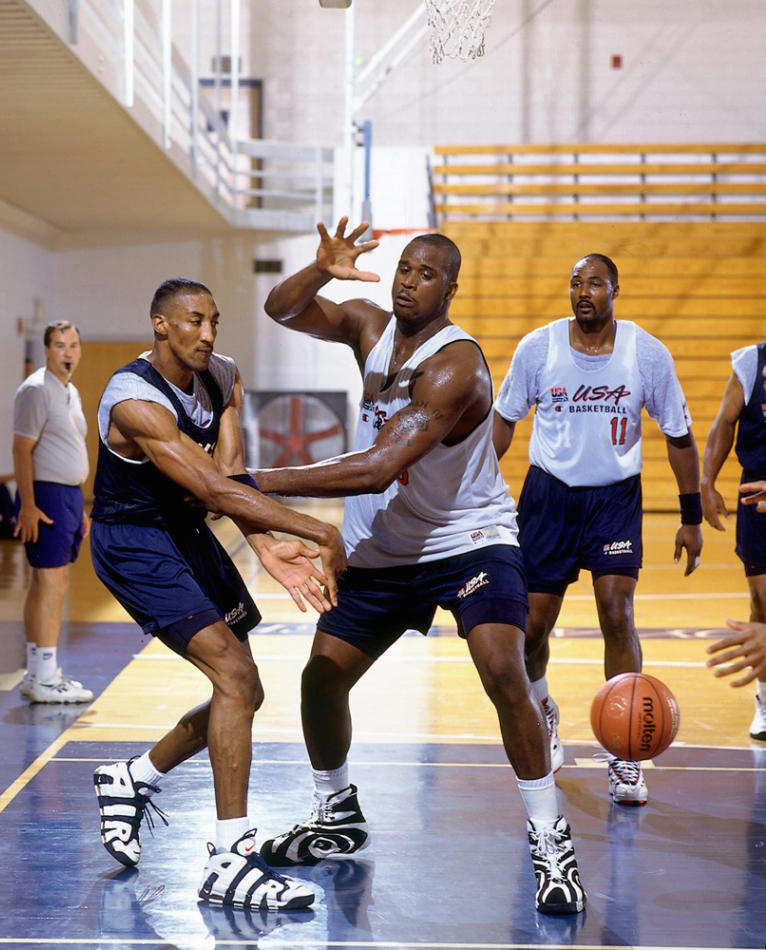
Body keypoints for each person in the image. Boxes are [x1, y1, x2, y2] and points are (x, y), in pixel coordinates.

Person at [249, 219, 586, 916]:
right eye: (405, 268)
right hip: (387, 549)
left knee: (502, 667)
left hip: (469, 540)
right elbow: (281, 309)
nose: (409, 281)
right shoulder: (370, 330)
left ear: (450, 289)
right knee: (322, 679)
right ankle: (336, 812)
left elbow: (376, 469)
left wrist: (256, 483)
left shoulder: (454, 365)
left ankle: (550, 839)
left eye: (426, 274)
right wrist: (320, 270)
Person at [89, 278, 347, 911]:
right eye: (193, 321)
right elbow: (213, 490)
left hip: (187, 536)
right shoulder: (133, 401)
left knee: (245, 689)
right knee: (235, 676)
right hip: (133, 541)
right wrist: (316, 527)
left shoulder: (222, 375)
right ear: (160, 325)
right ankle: (230, 860)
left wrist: (262, 545)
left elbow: (230, 478)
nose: (208, 334)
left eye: (214, 321)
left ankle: (133, 778)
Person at [493, 253, 703, 806]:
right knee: (532, 630)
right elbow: (504, 420)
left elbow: (679, 436)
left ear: (616, 290)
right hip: (548, 498)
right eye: (574, 283)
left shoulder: (646, 353)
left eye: (595, 283)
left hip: (613, 499)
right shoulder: (539, 347)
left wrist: (691, 517)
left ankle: (625, 755)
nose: (583, 291)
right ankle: (544, 715)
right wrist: (475, 491)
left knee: (618, 612)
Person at [13, 320, 92, 704]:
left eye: (73, 345)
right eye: (60, 345)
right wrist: (28, 505)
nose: (68, 352)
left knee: (47, 584)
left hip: (68, 497)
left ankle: (36, 673)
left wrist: (79, 506)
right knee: (51, 584)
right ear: (46, 350)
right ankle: (45, 676)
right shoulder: (36, 389)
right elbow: (21, 449)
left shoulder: (69, 390)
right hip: (45, 496)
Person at [701, 349, 766, 733]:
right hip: (755, 496)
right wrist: (707, 482)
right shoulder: (750, 362)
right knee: (761, 600)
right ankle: (764, 696)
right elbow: (725, 422)